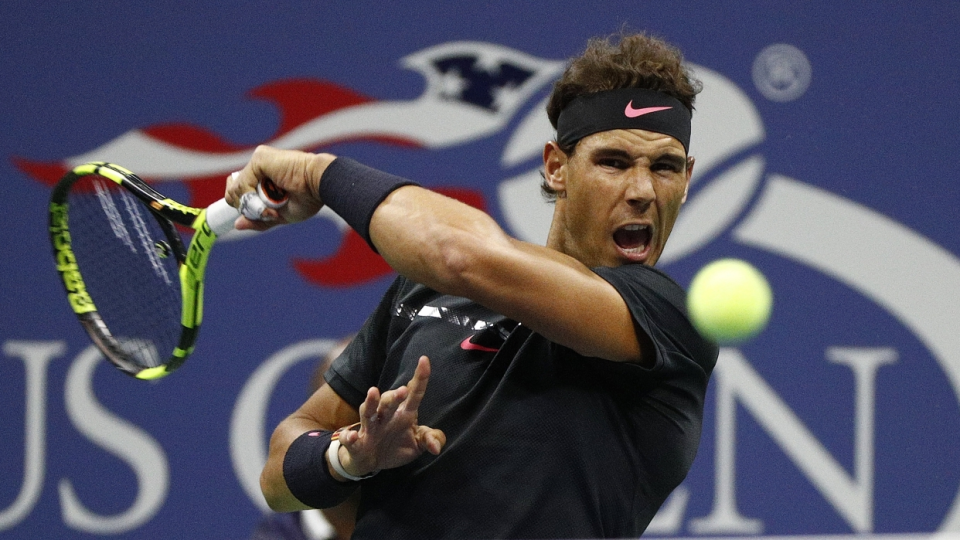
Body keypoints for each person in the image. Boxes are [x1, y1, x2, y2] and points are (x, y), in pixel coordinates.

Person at [228, 31, 718, 539]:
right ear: (556, 168)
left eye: (664, 167)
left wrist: (316, 173)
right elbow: (277, 475)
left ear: (686, 179)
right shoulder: (421, 292)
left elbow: (457, 254)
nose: (641, 191)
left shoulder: (668, 323)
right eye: (613, 162)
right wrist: (348, 457)